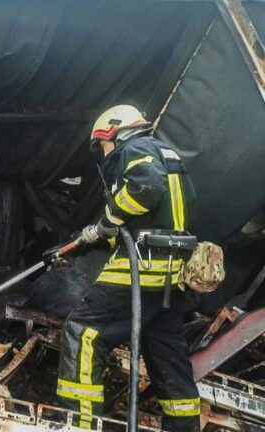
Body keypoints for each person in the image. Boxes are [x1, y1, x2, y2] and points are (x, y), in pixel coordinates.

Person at [56, 105, 200, 431]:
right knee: (166, 355)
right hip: (170, 277)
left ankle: (80, 423)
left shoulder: (136, 148)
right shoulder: (168, 153)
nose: (103, 153)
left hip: (142, 270)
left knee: (83, 332)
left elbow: (146, 187)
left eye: (102, 144)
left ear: (115, 132)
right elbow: (156, 214)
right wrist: (95, 237)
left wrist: (107, 220)